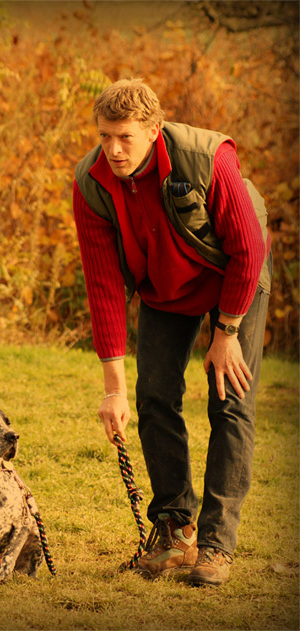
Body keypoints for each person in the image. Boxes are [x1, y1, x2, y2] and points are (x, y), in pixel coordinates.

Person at [72, 78, 271, 586]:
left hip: (235, 277)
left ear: (154, 130)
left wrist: (225, 333)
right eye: (104, 136)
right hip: (165, 286)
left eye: (125, 138)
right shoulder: (91, 183)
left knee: (230, 398)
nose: (113, 150)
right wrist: (111, 389)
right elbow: (102, 286)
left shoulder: (207, 158)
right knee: (153, 394)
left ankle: (215, 546)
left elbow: (249, 251)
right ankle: (175, 530)